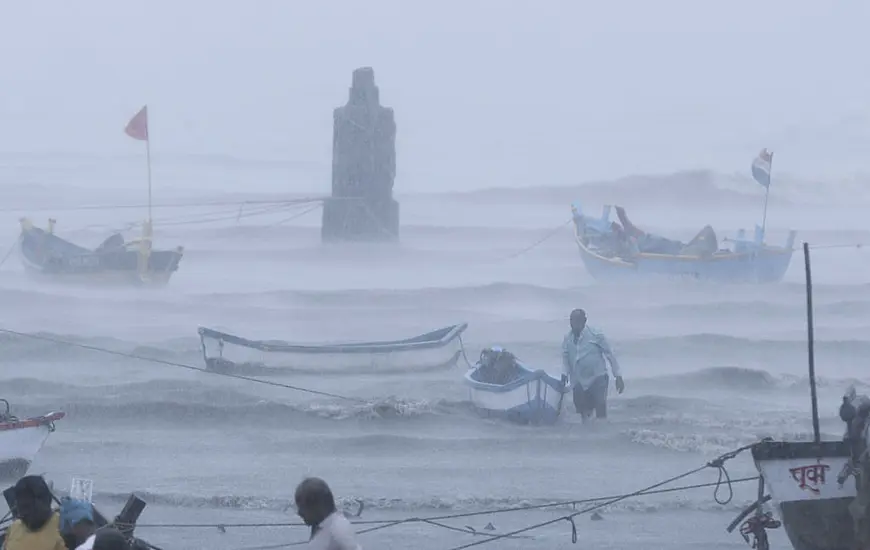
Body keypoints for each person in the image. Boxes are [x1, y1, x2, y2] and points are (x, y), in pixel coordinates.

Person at [562, 309, 625, 421]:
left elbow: (609, 355)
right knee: (583, 412)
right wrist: (564, 375)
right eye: (572, 321)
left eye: (577, 321)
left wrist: (618, 376)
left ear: (584, 321)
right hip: (579, 380)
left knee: (600, 405)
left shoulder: (596, 335)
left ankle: (602, 431)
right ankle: (589, 435)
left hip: (598, 377)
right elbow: (565, 359)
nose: (574, 324)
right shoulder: (567, 339)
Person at [294, 477, 361, 550]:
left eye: (302, 507)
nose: (299, 513)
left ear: (317, 505)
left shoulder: (338, 530)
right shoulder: (322, 527)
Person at [2, 476, 66, 550]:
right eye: (20, 508)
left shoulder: (64, 527)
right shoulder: (13, 528)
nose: (23, 514)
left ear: (46, 501)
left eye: (27, 506)